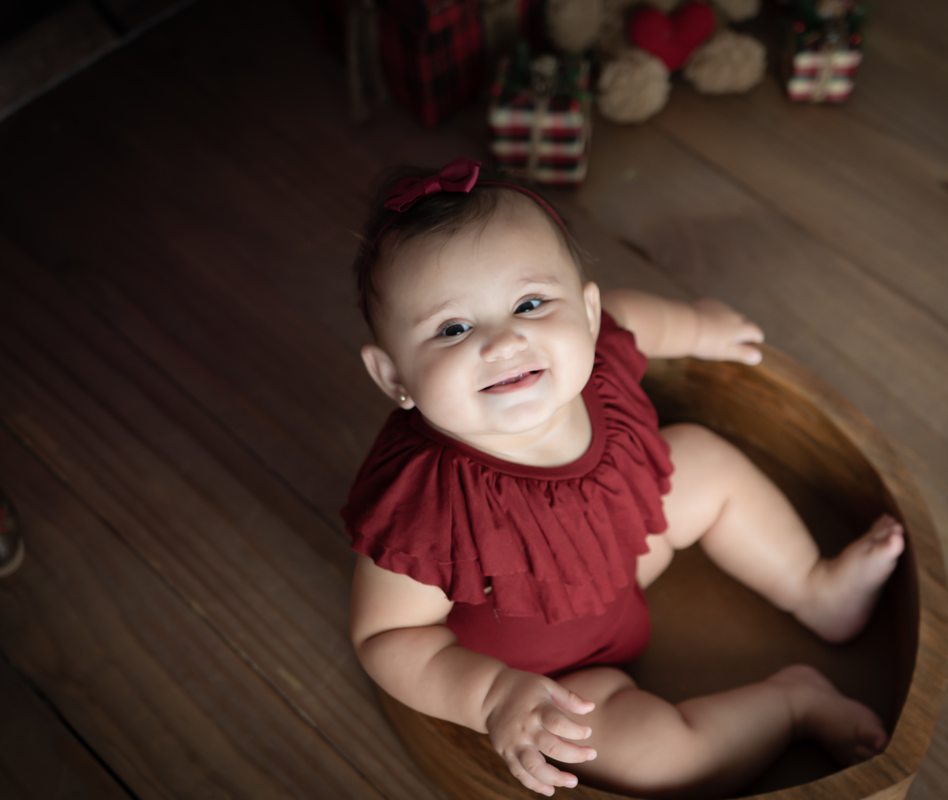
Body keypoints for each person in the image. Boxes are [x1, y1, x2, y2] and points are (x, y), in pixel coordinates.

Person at [344, 159, 905, 798]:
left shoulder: (598, 354)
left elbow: (635, 317)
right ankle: (791, 703)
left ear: (585, 312)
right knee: (658, 761)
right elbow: (387, 635)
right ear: (393, 378)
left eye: (529, 303)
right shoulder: (426, 502)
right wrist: (493, 694)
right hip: (553, 675)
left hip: (624, 559)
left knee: (698, 458)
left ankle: (814, 585)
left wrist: (698, 327)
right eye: (453, 328)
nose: (503, 342)